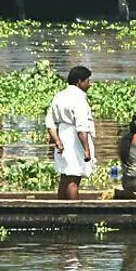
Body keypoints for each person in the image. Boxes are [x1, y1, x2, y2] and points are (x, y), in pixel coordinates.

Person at [45, 65, 96, 200]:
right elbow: (81, 127)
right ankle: (74, 213)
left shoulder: (59, 96)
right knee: (74, 179)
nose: (89, 84)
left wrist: (57, 141)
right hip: (75, 140)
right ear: (79, 81)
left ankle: (60, 210)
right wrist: (86, 149)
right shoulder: (79, 98)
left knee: (65, 176)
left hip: (62, 134)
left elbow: (50, 123)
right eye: (87, 81)